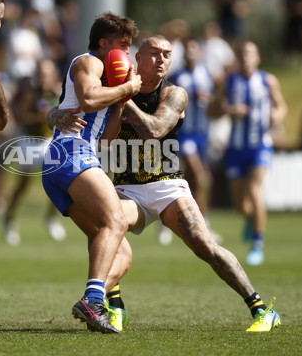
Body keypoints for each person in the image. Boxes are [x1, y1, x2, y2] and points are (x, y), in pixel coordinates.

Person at [53, 35, 281, 333]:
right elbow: (77, 108)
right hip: (127, 187)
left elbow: (156, 129)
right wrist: (54, 115)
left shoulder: (174, 93)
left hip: (167, 185)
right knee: (106, 228)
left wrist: (125, 99)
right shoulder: (114, 87)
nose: (162, 60)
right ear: (137, 58)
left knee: (205, 247)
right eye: (155, 53)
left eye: (167, 55)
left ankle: (261, 309)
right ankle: (115, 306)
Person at [42, 12, 141, 333]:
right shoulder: (90, 63)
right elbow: (86, 97)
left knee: (121, 252)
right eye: (122, 46)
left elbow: (106, 139)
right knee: (116, 221)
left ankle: (92, 299)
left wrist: (122, 100)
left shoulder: (108, 81)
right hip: (71, 153)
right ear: (103, 43)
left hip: (73, 159)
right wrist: (127, 86)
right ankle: (92, 302)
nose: (125, 54)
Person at [208, 41, 287, 266]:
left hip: (260, 146)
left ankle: (257, 244)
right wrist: (228, 110)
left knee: (254, 190)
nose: (246, 58)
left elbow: (281, 106)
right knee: (241, 206)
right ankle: (250, 219)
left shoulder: (267, 80)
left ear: (258, 58)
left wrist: (276, 115)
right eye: (242, 54)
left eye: (250, 54)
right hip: (235, 148)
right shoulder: (229, 81)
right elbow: (212, 110)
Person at [2, 58, 66, 244]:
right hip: (29, 141)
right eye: (41, 73)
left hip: (47, 141)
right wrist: (39, 117)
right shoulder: (32, 93)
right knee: (23, 185)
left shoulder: (58, 92)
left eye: (47, 73)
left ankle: (51, 218)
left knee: (60, 181)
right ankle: (9, 218)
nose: (44, 77)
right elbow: (21, 116)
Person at [169, 38, 220, 243]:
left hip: (202, 135)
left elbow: (218, 104)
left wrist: (210, 100)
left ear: (199, 52)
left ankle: (197, 223)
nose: (191, 52)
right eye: (187, 49)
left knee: (190, 182)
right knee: (201, 177)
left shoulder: (208, 75)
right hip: (183, 134)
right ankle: (202, 224)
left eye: (194, 48)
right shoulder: (176, 76)